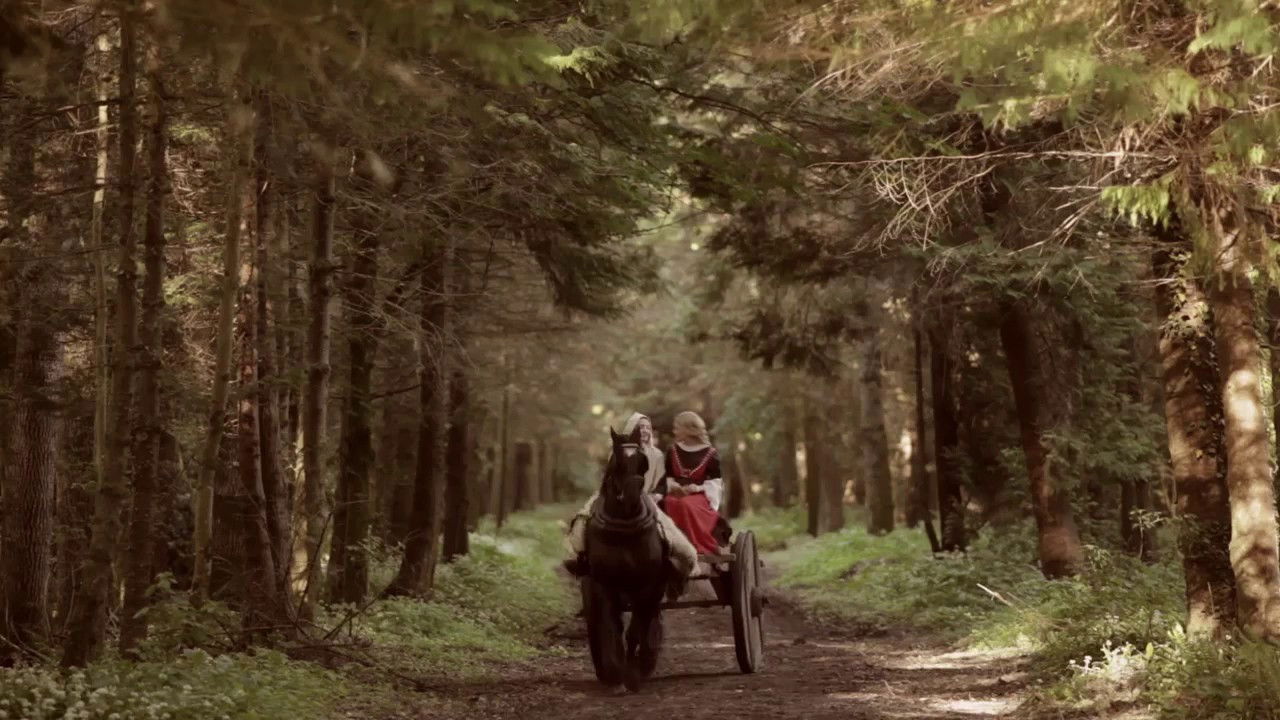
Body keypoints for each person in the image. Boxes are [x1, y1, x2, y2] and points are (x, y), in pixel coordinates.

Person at [564, 412, 699, 579]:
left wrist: (657, 495)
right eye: (640, 427)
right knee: (583, 517)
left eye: (647, 427)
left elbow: (662, 482)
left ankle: (686, 559)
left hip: (646, 497)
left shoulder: (657, 455)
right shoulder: (620, 451)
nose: (645, 430)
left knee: (667, 526)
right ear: (633, 430)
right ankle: (578, 556)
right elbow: (609, 477)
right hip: (612, 494)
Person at [660, 411, 732, 556]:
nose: (674, 431)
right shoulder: (672, 450)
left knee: (685, 504)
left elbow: (715, 483)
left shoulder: (710, 454)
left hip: (700, 496)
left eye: (677, 428)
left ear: (688, 429)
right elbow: (668, 476)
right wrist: (673, 486)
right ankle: (668, 545)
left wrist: (696, 488)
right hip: (675, 493)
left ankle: (695, 546)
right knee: (666, 503)